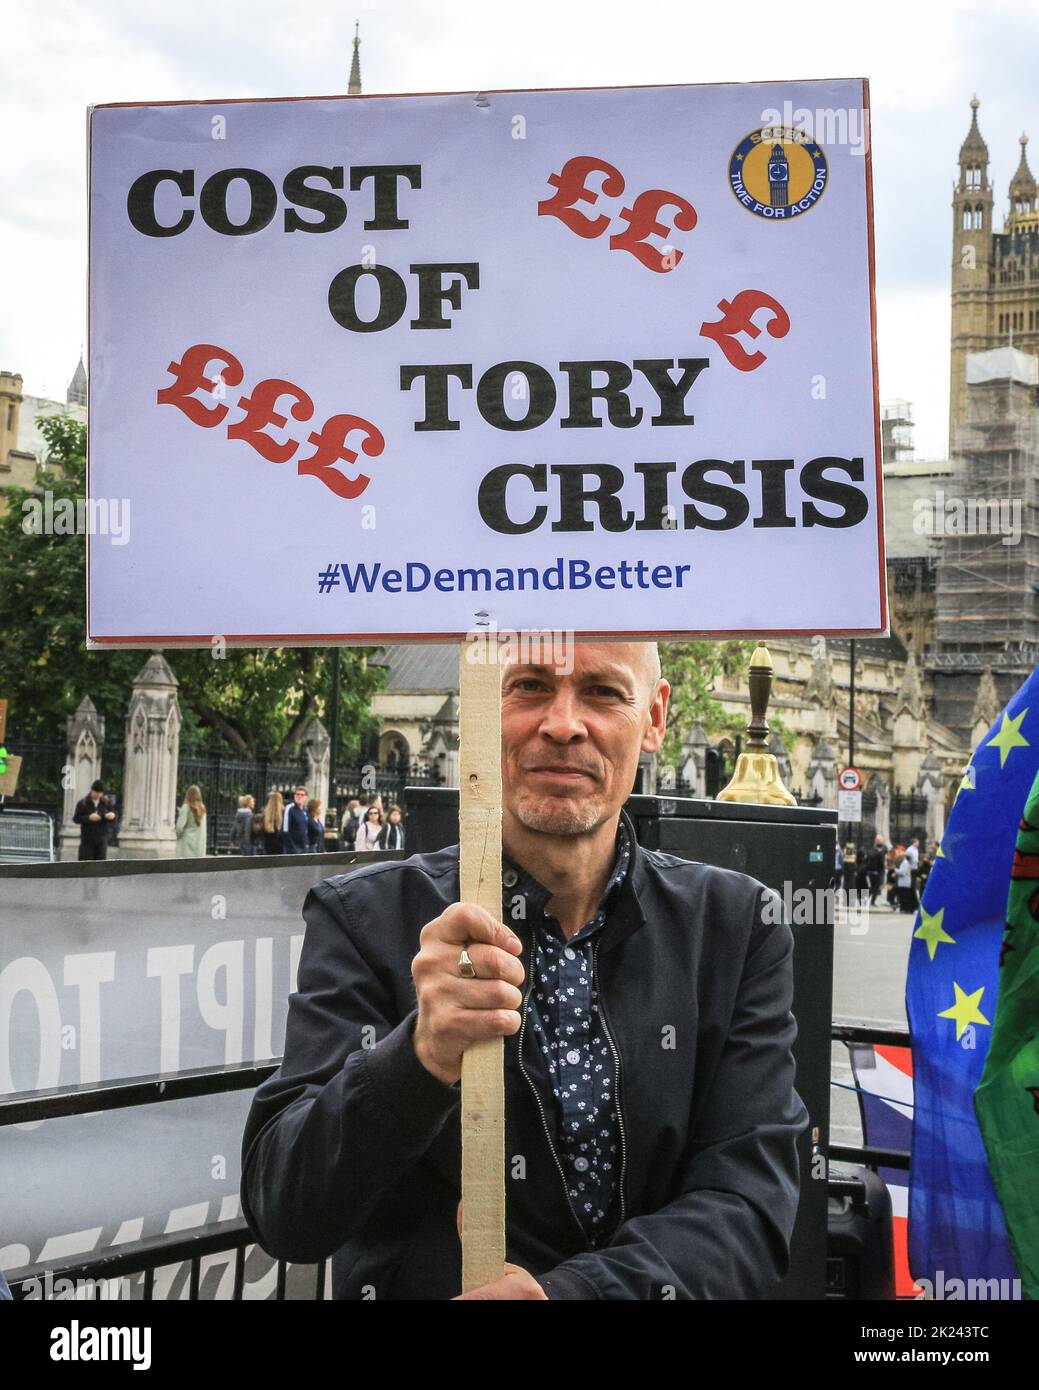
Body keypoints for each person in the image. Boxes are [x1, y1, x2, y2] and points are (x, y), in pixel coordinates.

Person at [241, 641, 808, 1300]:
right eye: (531, 685)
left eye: (601, 692)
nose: (563, 723)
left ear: (653, 719)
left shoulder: (735, 927)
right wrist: (418, 1055)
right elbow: (287, 1213)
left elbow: (749, 1207)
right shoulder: (366, 918)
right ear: (481, 710)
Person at [73, 779, 117, 861]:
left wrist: (112, 816)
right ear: (92, 790)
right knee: (85, 865)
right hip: (87, 839)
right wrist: (89, 818)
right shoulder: (83, 803)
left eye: (100, 793)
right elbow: (76, 818)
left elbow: (113, 817)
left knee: (100, 865)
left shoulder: (106, 803)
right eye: (96, 792)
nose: (98, 795)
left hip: (102, 839)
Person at [175, 785, 207, 858]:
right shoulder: (202, 808)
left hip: (185, 846)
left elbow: (179, 827)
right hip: (199, 846)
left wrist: (178, 836)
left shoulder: (186, 807)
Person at [283, 785, 310, 855]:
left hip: (304, 848)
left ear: (306, 797)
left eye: (302, 795)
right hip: (293, 849)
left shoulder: (306, 811)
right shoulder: (290, 809)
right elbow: (285, 830)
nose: (299, 796)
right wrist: (293, 848)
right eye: (297, 794)